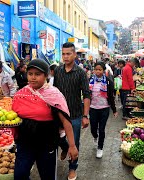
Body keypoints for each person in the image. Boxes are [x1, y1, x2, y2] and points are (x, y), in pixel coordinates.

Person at [12, 59, 78, 179]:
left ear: (46, 76)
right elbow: (13, 118)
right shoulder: (20, 94)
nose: (33, 77)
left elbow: (65, 121)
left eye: (37, 74)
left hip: (47, 143)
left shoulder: (54, 95)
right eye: (30, 74)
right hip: (25, 143)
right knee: (19, 175)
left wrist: (72, 146)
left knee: (47, 176)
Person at [54, 42, 91, 180]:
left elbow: (87, 94)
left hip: (75, 114)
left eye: (68, 53)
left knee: (74, 143)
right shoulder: (57, 71)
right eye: (63, 54)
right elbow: (54, 92)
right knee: (56, 137)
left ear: (75, 54)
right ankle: (64, 147)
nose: (65, 56)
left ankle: (72, 168)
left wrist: (85, 115)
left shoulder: (81, 73)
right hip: (59, 113)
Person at [89, 61, 118, 158]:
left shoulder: (109, 81)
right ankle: (95, 136)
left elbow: (111, 96)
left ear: (103, 70)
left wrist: (114, 110)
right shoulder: (89, 80)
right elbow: (86, 95)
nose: (98, 71)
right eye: (96, 69)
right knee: (93, 128)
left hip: (104, 109)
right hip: (92, 108)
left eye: (100, 69)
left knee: (101, 129)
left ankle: (100, 148)